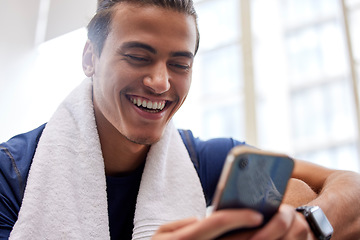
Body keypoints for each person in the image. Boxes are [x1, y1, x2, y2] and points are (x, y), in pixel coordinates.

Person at [1, 0, 360, 239]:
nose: (161, 82)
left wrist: (308, 224)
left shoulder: (209, 160)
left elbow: (350, 186)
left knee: (296, 192)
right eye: (138, 56)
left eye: (180, 65)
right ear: (89, 59)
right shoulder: (11, 173)